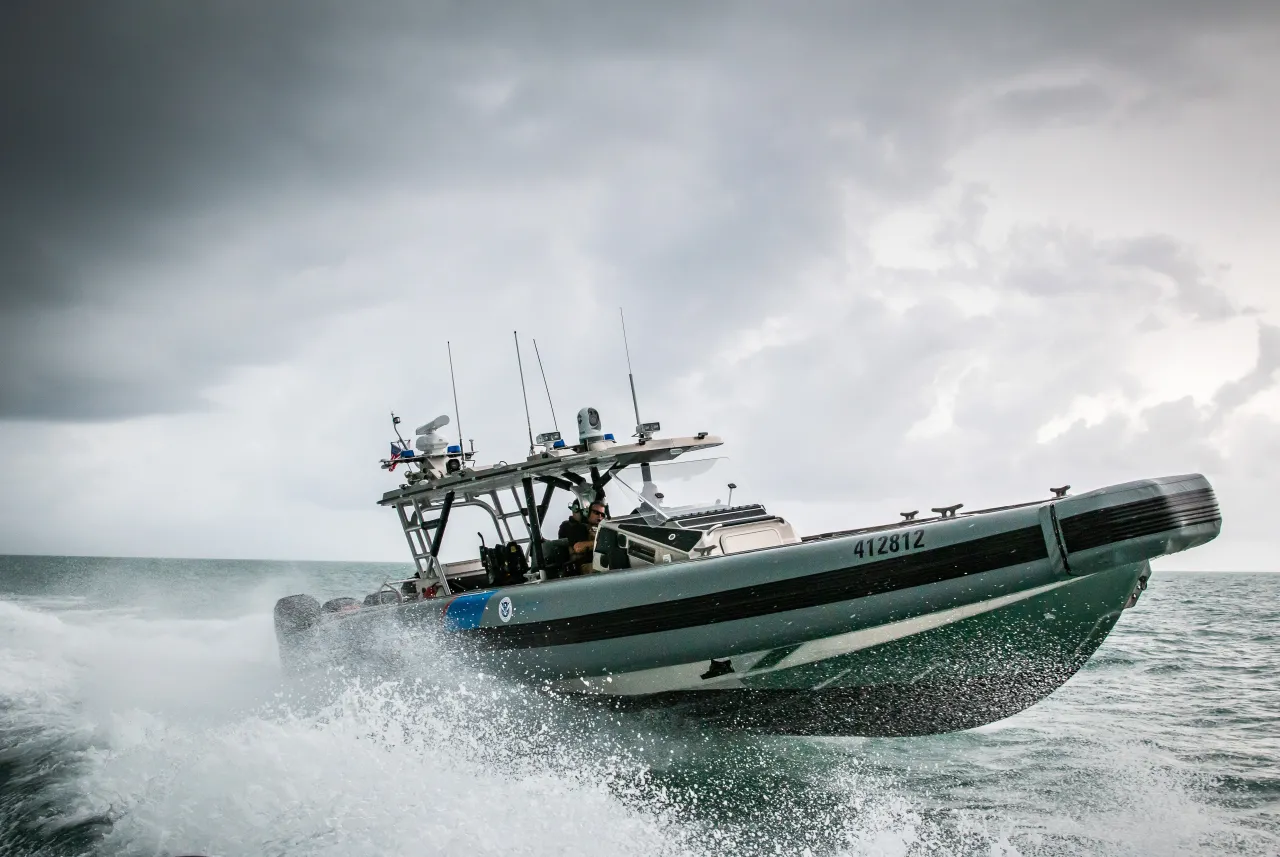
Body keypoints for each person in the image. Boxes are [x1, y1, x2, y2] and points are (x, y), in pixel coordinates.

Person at [559, 499, 606, 575]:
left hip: (598, 561)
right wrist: (602, 541)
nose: (600, 517)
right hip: (582, 567)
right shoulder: (572, 526)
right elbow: (578, 547)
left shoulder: (599, 528)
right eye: (596, 513)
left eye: (603, 515)